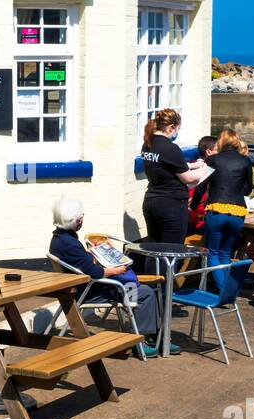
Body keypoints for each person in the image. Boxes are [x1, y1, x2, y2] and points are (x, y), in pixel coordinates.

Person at [49, 197, 176, 358]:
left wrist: (93, 254)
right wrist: (116, 270)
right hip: (94, 291)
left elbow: (83, 265)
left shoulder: (60, 239)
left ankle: (156, 337)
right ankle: (141, 340)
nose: (82, 221)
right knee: (146, 293)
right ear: (75, 221)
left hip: (86, 287)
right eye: (81, 218)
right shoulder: (70, 243)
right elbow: (95, 273)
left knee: (144, 291)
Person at [141, 108, 211, 245]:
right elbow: (189, 178)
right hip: (171, 204)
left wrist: (191, 165)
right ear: (171, 127)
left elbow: (165, 165)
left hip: (151, 201)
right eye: (178, 129)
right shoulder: (170, 148)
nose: (177, 133)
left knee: (152, 250)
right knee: (171, 250)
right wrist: (205, 169)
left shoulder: (148, 144)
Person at [203, 128, 254, 304]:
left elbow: (202, 186)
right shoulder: (245, 161)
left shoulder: (212, 160)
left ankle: (226, 292)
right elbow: (248, 189)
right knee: (225, 253)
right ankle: (229, 290)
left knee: (212, 253)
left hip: (217, 208)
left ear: (221, 142)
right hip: (237, 211)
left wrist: (194, 204)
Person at [187, 135, 218, 236]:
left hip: (195, 221)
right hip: (198, 223)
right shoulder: (205, 170)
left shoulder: (191, 167)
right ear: (208, 152)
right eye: (218, 150)